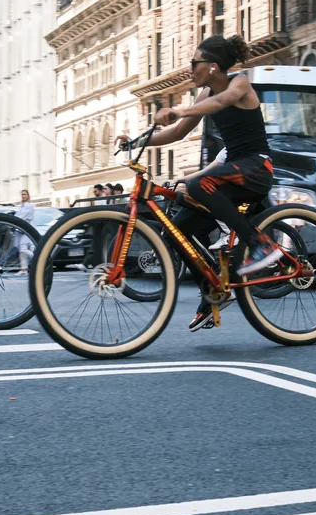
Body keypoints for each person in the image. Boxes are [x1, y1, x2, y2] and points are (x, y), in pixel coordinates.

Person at [116, 34, 279, 332]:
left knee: (197, 184)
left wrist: (179, 110)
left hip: (256, 167)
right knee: (175, 231)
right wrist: (136, 142)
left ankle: (260, 244)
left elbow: (222, 102)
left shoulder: (239, 83)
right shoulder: (202, 97)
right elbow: (174, 134)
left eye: (194, 63)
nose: (190, 69)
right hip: (231, 173)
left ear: (213, 67)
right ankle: (212, 292)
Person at [15, 189, 35, 273]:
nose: (23, 196)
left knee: (23, 248)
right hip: (21, 230)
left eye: (25, 194)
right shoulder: (22, 206)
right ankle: (24, 268)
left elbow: (22, 216)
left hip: (27, 229)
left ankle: (38, 258)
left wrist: (14, 220)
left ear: (28, 196)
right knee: (20, 249)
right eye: (22, 195)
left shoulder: (29, 206)